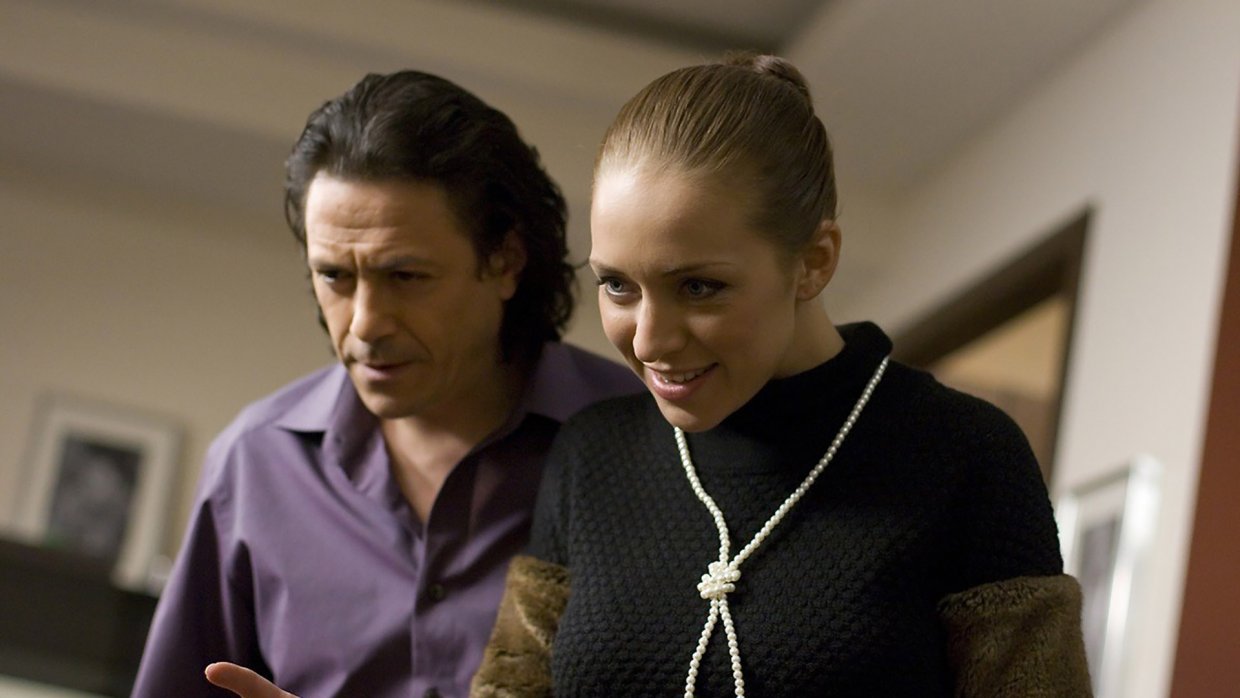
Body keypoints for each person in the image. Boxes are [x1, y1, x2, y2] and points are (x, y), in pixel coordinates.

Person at [473, 53, 1092, 696]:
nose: (649, 339)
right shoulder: (591, 455)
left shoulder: (966, 454)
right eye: (617, 285)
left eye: (699, 287)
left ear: (814, 262)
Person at [131, 70, 640, 698]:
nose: (365, 324)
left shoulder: (646, 442)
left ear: (505, 260)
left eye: (405, 276)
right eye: (335, 277)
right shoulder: (254, 463)